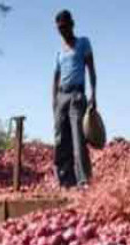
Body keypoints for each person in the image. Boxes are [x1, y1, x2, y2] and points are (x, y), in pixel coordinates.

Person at [53, 9, 97, 188]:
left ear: (72, 24)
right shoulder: (59, 52)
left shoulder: (83, 43)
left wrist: (94, 94)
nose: (62, 31)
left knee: (78, 139)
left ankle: (83, 180)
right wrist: (54, 100)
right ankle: (65, 180)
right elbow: (55, 77)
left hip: (77, 95)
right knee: (61, 139)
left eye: (64, 26)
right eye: (59, 28)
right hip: (61, 96)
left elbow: (91, 70)